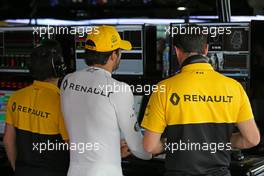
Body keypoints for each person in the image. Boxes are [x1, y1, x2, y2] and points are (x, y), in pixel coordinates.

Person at [141, 25, 260, 176]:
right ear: (206, 49)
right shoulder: (234, 88)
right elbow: (252, 139)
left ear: (177, 51)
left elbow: (150, 146)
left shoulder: (163, 89)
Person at [60, 25, 151, 176]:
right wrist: (157, 148)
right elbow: (138, 148)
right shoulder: (119, 89)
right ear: (114, 55)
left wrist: (112, 152)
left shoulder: (67, 81)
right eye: (119, 51)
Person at [3, 39, 69, 176]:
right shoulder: (62, 102)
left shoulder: (16, 97)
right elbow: (72, 145)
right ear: (60, 67)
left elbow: (8, 140)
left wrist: (19, 170)